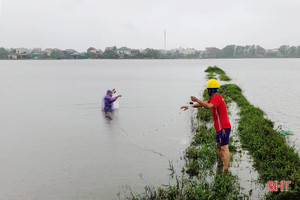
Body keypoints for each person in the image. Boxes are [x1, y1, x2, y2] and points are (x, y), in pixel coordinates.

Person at [180, 79, 231, 171]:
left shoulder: (218, 97)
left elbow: (209, 106)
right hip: (219, 128)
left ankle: (225, 170)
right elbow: (202, 104)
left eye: (207, 89)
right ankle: (220, 164)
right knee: (218, 146)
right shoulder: (213, 98)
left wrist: (196, 99)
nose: (207, 91)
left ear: (210, 90)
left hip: (224, 128)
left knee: (224, 148)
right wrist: (189, 105)